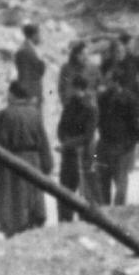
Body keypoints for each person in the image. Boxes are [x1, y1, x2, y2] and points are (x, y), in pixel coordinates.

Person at [0, 82, 52, 236]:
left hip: (12, 160)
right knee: (32, 193)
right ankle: (33, 222)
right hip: (33, 159)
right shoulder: (35, 113)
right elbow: (43, 140)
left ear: (12, 95)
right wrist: (47, 163)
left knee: (13, 195)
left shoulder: (7, 114)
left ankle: (14, 226)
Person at [94, 41, 139, 207]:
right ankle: (105, 212)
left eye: (110, 82)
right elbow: (96, 118)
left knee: (120, 181)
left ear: (117, 82)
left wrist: (130, 144)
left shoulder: (129, 99)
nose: (106, 85)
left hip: (121, 145)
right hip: (105, 142)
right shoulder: (103, 98)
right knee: (102, 179)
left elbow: (137, 124)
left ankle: (118, 212)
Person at [56, 48, 99, 220]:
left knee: (87, 191)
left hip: (85, 154)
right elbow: (60, 127)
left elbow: (88, 136)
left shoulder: (90, 109)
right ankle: (64, 221)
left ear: (81, 89)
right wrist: (63, 139)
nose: (72, 92)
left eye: (75, 89)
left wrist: (67, 143)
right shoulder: (70, 105)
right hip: (69, 155)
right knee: (65, 191)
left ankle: (87, 222)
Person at [15, 23, 46, 106]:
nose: (40, 37)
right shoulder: (25, 51)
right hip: (31, 96)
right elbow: (24, 75)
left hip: (34, 94)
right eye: (39, 34)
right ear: (34, 35)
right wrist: (28, 97)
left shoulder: (30, 49)